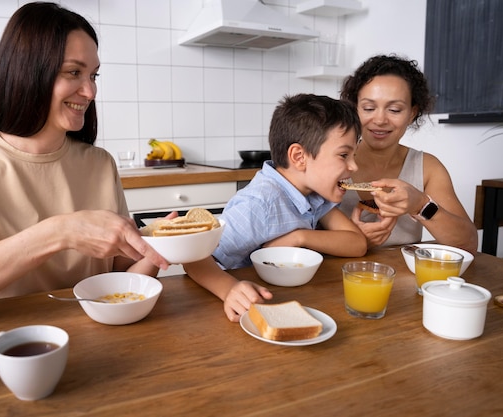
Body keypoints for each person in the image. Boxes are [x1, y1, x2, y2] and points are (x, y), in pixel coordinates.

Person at [0, 2, 168, 319]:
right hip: (4, 352)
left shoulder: (100, 164)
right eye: (74, 72)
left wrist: (162, 248)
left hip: (98, 343)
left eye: (93, 75)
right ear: (27, 71)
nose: (90, 90)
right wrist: (58, 232)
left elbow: (121, 274)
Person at [183, 94, 367, 322]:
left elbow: (357, 243)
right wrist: (229, 290)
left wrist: (299, 237)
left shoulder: (313, 193)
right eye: (344, 155)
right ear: (299, 157)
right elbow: (194, 257)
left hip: (291, 299)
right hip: (246, 310)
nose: (354, 165)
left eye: (354, 155)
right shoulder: (260, 203)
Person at [338, 54, 478, 253]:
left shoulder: (427, 167)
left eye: (394, 110)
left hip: (405, 280)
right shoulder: (333, 161)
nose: (380, 119)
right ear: (355, 109)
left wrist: (420, 205)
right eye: (368, 108)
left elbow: (468, 244)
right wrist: (355, 242)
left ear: (412, 113)